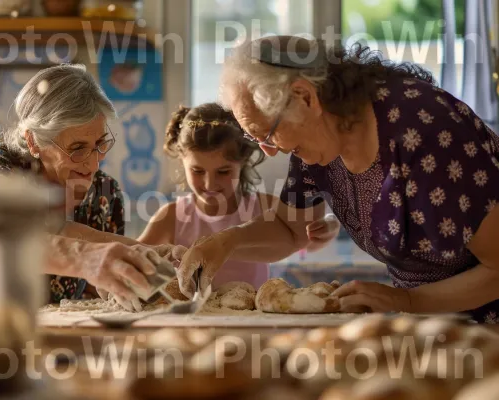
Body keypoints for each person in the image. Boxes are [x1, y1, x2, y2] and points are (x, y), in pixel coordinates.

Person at [176, 36, 499, 323]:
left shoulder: (424, 132)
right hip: (427, 320)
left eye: (269, 135)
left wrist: (408, 300)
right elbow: (291, 230)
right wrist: (227, 241)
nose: (271, 152)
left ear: (305, 97)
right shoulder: (316, 144)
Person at [0, 64, 182, 311]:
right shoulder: (0, 164)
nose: (92, 163)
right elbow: (5, 236)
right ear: (33, 141)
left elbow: (97, 290)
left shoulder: (105, 192)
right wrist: (89, 256)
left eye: (100, 143)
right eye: (77, 148)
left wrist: (149, 260)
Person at [139, 102, 339, 291]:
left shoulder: (267, 207)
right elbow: (135, 257)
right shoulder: (171, 216)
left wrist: (328, 226)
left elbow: (305, 242)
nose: (209, 184)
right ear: (182, 161)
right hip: (192, 319)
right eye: (198, 171)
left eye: (223, 171)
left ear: (243, 161)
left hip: (252, 317)